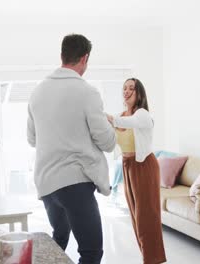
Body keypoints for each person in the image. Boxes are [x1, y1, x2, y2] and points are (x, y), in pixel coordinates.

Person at [27, 34, 115, 264]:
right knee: (91, 251)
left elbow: (32, 138)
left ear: (62, 56)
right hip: (74, 183)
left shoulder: (37, 93)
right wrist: (109, 125)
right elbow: (107, 142)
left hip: (47, 184)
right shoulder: (87, 92)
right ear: (85, 58)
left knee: (58, 242)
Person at [107, 78, 166, 264]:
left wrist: (106, 117)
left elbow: (124, 121)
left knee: (146, 217)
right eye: (124, 88)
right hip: (128, 166)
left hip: (144, 166)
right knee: (135, 216)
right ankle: (148, 258)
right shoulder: (122, 114)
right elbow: (109, 134)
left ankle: (153, 259)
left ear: (139, 93)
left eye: (131, 88)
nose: (126, 91)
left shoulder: (142, 114)